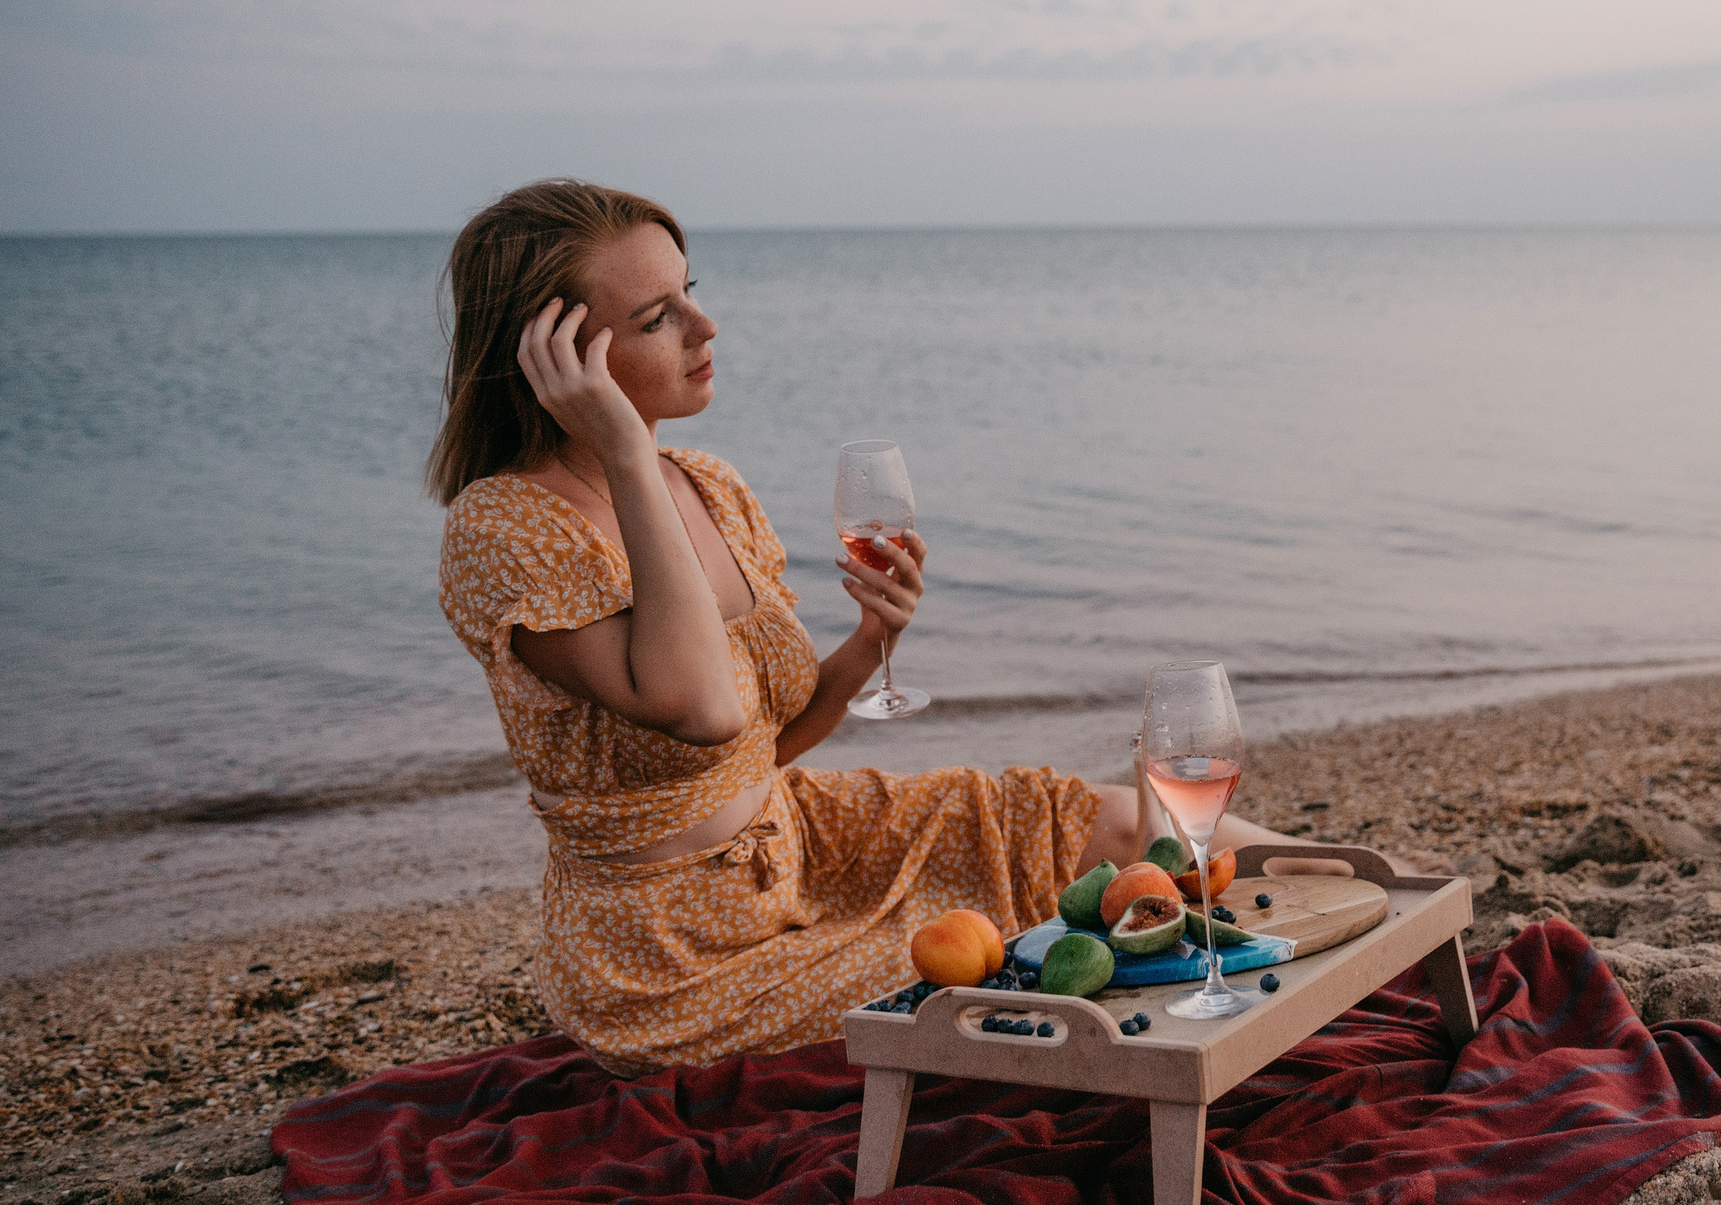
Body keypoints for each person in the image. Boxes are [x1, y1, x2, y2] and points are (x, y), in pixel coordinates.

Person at [430, 179, 1303, 1075]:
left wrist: (865, 648)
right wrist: (621, 451)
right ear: (553, 358)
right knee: (1010, 978)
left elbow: (761, 743)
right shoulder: (507, 528)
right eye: (658, 316)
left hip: (807, 844)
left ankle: (1382, 901)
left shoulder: (707, 483)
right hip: (669, 954)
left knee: (1093, 826)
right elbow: (702, 710)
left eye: (692, 290)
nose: (705, 327)